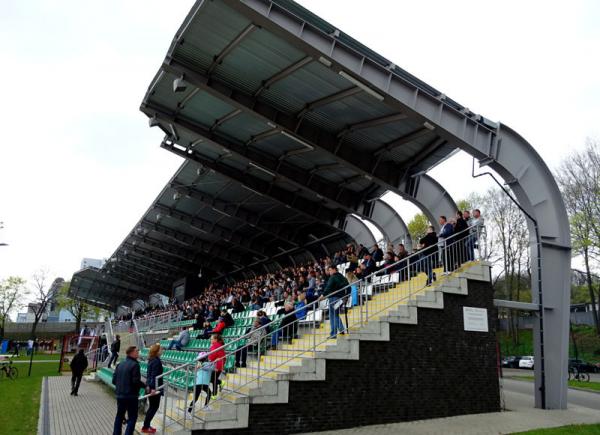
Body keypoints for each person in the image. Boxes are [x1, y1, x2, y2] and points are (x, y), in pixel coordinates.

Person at [112, 346, 146, 435]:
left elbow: (114, 380)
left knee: (119, 416)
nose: (138, 353)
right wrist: (145, 386)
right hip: (131, 396)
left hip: (120, 395)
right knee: (132, 417)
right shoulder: (135, 365)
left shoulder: (120, 364)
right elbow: (135, 381)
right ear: (131, 353)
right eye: (136, 351)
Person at [320, 265, 350, 339]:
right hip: (341, 299)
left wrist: (322, 295)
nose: (329, 272)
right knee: (335, 314)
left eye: (330, 270)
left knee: (332, 315)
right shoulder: (343, 277)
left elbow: (328, 287)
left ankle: (333, 333)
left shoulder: (333, 277)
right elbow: (349, 288)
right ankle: (341, 329)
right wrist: (347, 296)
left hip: (333, 298)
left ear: (334, 269)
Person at [141, 344, 163, 434]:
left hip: (150, 385)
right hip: (154, 387)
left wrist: (149, 386)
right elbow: (153, 375)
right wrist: (153, 388)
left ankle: (147, 425)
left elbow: (149, 375)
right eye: (161, 349)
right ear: (157, 351)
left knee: (152, 407)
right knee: (154, 407)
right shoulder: (156, 361)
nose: (162, 351)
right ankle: (146, 426)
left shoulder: (151, 360)